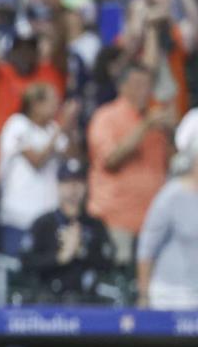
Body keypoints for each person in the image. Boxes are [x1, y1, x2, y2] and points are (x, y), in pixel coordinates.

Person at [86, 65, 172, 265]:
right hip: (116, 221)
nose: (144, 90)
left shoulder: (156, 121)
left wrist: (170, 132)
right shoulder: (106, 117)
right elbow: (111, 160)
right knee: (117, 287)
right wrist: (145, 126)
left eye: (147, 85)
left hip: (152, 223)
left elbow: (170, 164)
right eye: (138, 84)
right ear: (122, 87)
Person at [21, 159, 114, 302]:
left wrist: (81, 251)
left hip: (87, 302)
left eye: (78, 182)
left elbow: (109, 263)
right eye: (67, 182)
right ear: (58, 186)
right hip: (47, 302)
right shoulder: (44, 224)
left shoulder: (95, 225)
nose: (73, 189)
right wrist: (59, 257)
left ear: (86, 186)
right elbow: (26, 262)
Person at [0, 83, 72, 255]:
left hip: (47, 218)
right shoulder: (17, 124)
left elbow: (72, 158)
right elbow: (37, 161)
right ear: (35, 104)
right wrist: (61, 129)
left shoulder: (53, 129)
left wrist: (70, 129)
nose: (57, 107)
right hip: (18, 216)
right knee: (16, 273)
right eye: (52, 102)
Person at [136, 145, 198, 310]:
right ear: (195, 164)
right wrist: (143, 295)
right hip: (172, 293)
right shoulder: (172, 196)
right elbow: (147, 247)